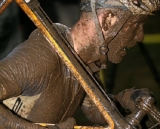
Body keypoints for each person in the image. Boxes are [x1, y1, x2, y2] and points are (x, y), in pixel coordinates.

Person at [0, 0, 159, 128]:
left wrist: (126, 99)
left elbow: (93, 108)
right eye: (136, 25)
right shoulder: (42, 56)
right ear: (107, 20)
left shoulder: (84, 64)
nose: (140, 36)